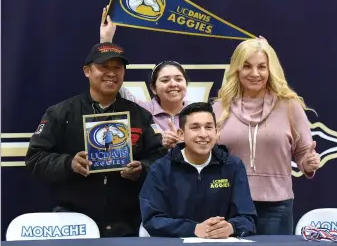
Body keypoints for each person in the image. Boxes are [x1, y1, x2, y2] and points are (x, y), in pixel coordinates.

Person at [25, 41, 167, 237]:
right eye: (103, 67)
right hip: (72, 221)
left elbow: (160, 159)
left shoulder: (140, 115)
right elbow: (35, 158)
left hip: (127, 222)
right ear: (87, 71)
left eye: (117, 68)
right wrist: (69, 164)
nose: (111, 73)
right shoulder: (61, 113)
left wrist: (141, 168)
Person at [212, 38, 321, 235]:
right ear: (236, 69)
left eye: (261, 67)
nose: (255, 73)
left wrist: (308, 163)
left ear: (271, 69)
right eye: (247, 66)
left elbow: (304, 152)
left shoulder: (289, 106)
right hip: (229, 204)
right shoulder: (220, 107)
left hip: (276, 205)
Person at [139, 102, 257, 238]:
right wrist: (194, 229)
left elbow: (248, 218)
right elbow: (152, 219)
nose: (203, 134)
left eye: (208, 127)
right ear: (181, 134)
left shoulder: (233, 166)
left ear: (217, 131)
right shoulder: (160, 169)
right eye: (195, 128)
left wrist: (231, 227)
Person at [100, 6, 190, 148]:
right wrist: (106, 40)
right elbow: (114, 85)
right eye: (165, 80)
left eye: (179, 79)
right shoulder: (141, 110)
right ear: (153, 88)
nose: (173, 84)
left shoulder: (199, 111)